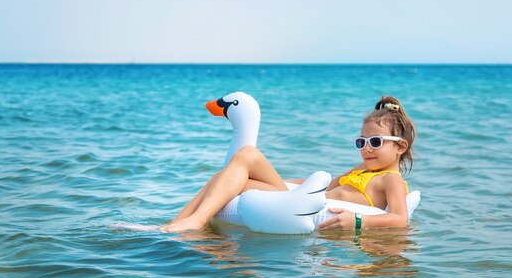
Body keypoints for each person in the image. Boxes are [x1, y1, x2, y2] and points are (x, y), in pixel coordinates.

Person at [162, 95, 416, 232]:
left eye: (375, 141)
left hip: (306, 206)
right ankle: (177, 223)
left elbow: (399, 218)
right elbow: (323, 184)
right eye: (361, 143)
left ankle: (198, 221)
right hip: (299, 196)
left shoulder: (390, 180)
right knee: (225, 175)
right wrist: (276, 180)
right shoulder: (361, 170)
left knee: (248, 153)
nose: (366, 149)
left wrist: (358, 221)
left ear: (400, 147)